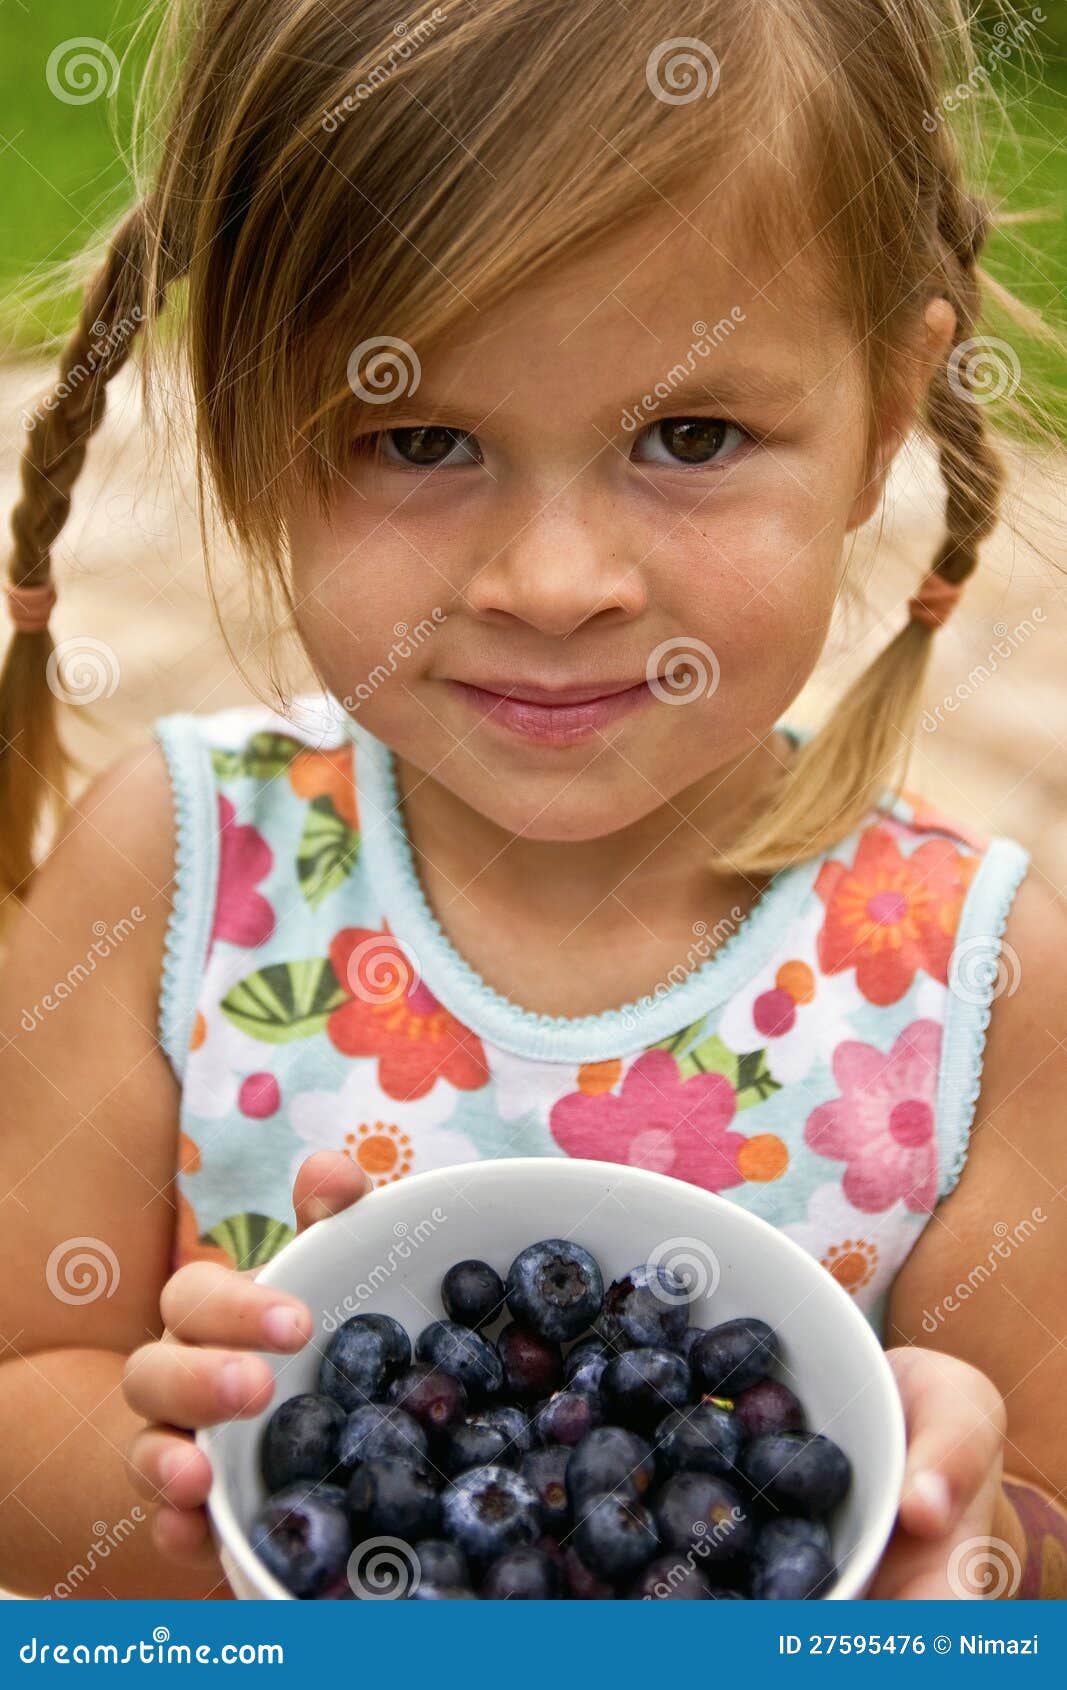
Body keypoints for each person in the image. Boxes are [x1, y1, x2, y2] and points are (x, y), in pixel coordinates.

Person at [1, 0, 1064, 1600]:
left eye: (689, 434)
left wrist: (966, 1555)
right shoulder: (171, 876)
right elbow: (23, 1391)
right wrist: (174, 1488)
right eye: (419, 435)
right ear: (247, 423)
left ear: (887, 418)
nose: (554, 583)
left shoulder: (984, 987)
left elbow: (1039, 1529)